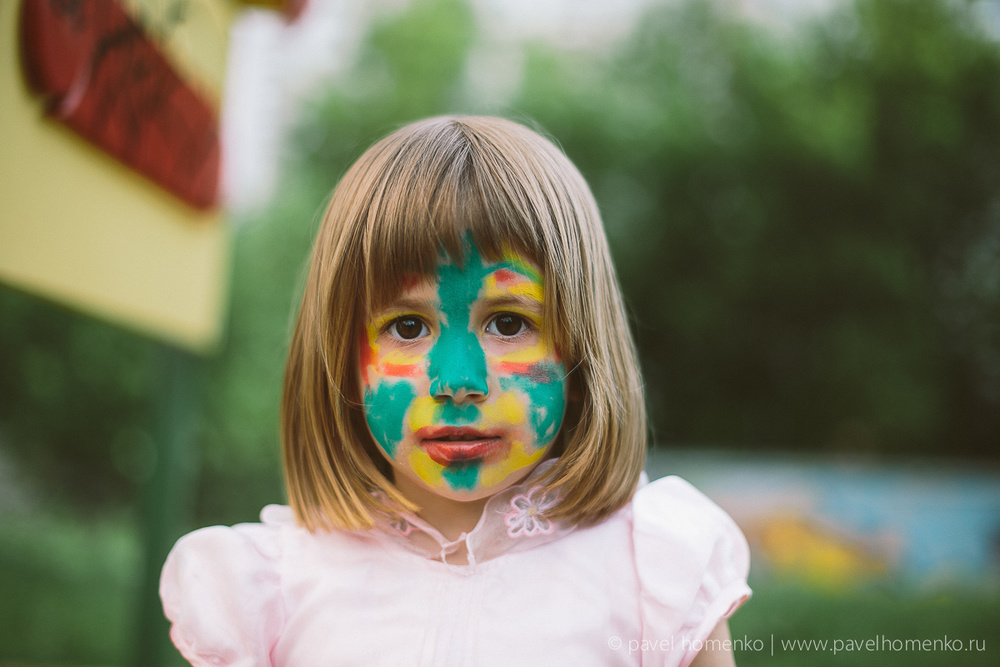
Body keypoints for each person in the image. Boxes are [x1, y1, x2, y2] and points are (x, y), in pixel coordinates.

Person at [160, 116, 751, 666]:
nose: (460, 382)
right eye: (407, 327)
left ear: (582, 341)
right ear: (339, 358)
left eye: (509, 323)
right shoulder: (270, 589)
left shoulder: (656, 570)